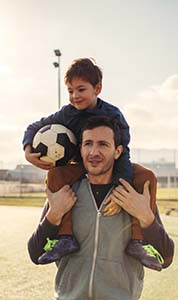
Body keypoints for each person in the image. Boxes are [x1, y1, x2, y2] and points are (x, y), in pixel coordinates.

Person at [23, 58, 158, 269]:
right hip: (80, 165)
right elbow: (34, 127)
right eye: (70, 91)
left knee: (147, 176)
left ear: (98, 88)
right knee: (55, 175)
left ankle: (138, 241)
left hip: (113, 164)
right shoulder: (67, 113)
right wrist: (27, 151)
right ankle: (65, 238)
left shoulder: (113, 115)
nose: (75, 96)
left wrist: (118, 187)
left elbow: (123, 154)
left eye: (81, 89)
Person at [28, 116, 174, 300]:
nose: (94, 152)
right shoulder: (65, 192)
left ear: (118, 151)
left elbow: (166, 258)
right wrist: (54, 214)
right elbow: (35, 253)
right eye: (88, 143)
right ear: (80, 149)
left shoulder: (133, 196)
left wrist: (146, 217)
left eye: (103, 144)